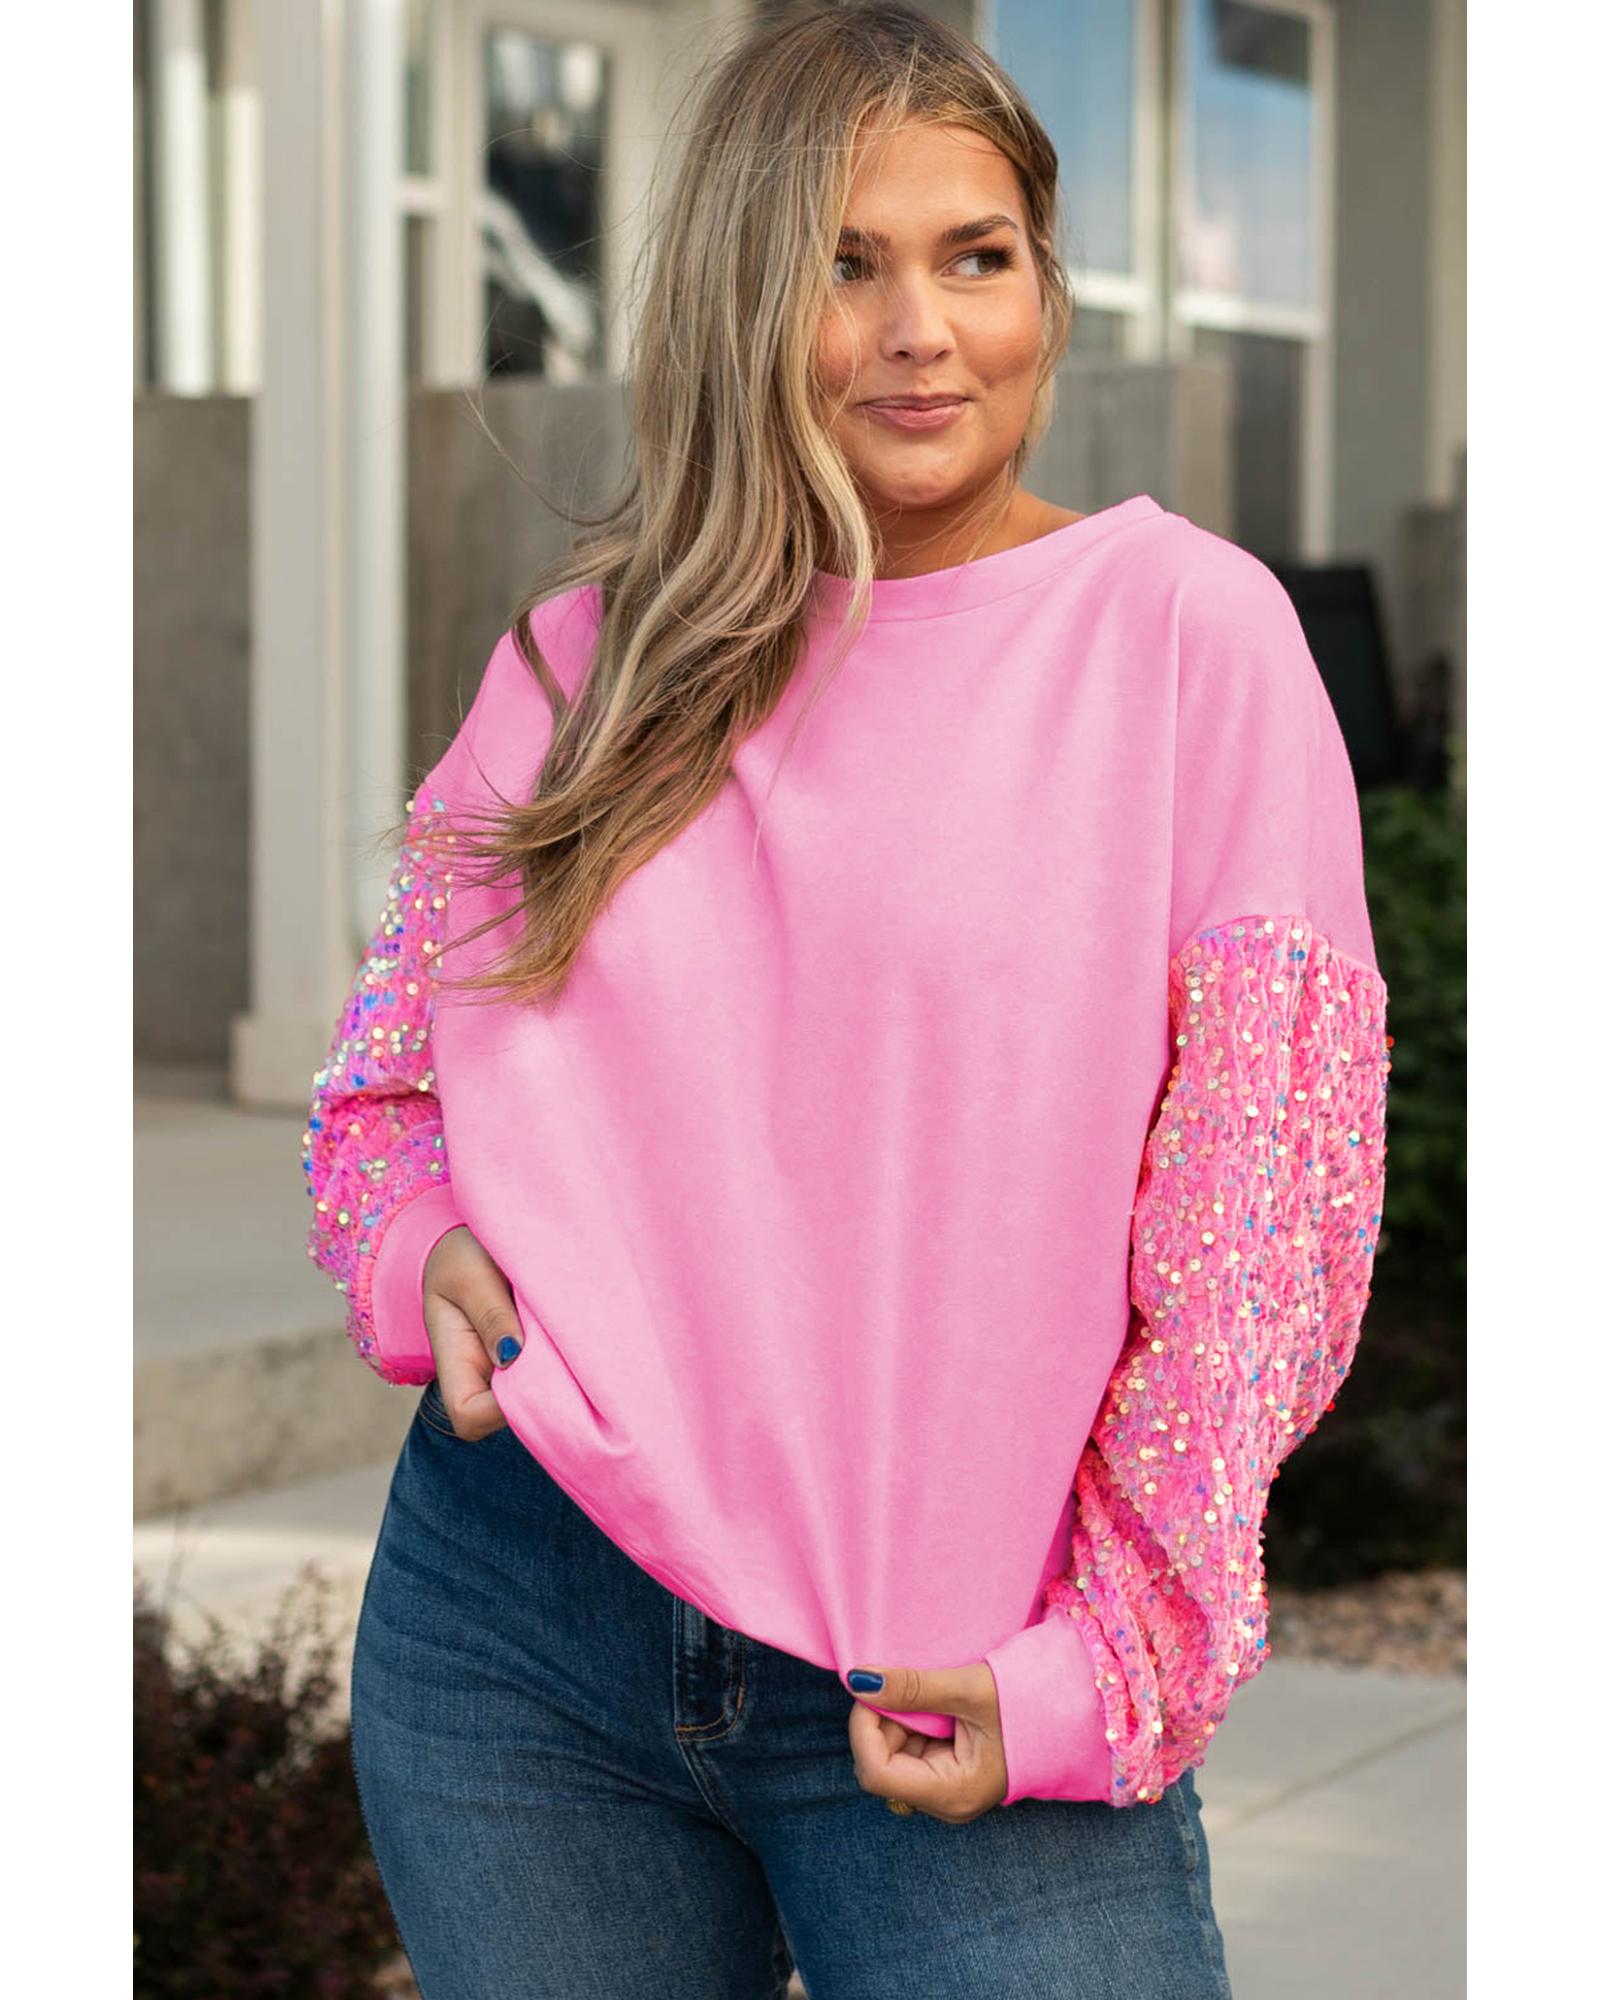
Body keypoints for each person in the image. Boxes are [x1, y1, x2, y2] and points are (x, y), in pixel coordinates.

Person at [302, 5, 1389, 1994]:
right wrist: (414, 1248)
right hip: (518, 1627)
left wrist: (1106, 1662)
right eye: (845, 264)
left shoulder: (1185, 641)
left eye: (975, 256)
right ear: (745, 299)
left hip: (964, 1649)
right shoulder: (581, 666)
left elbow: (1257, 1243)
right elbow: (383, 1089)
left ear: (1044, 290)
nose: (919, 332)